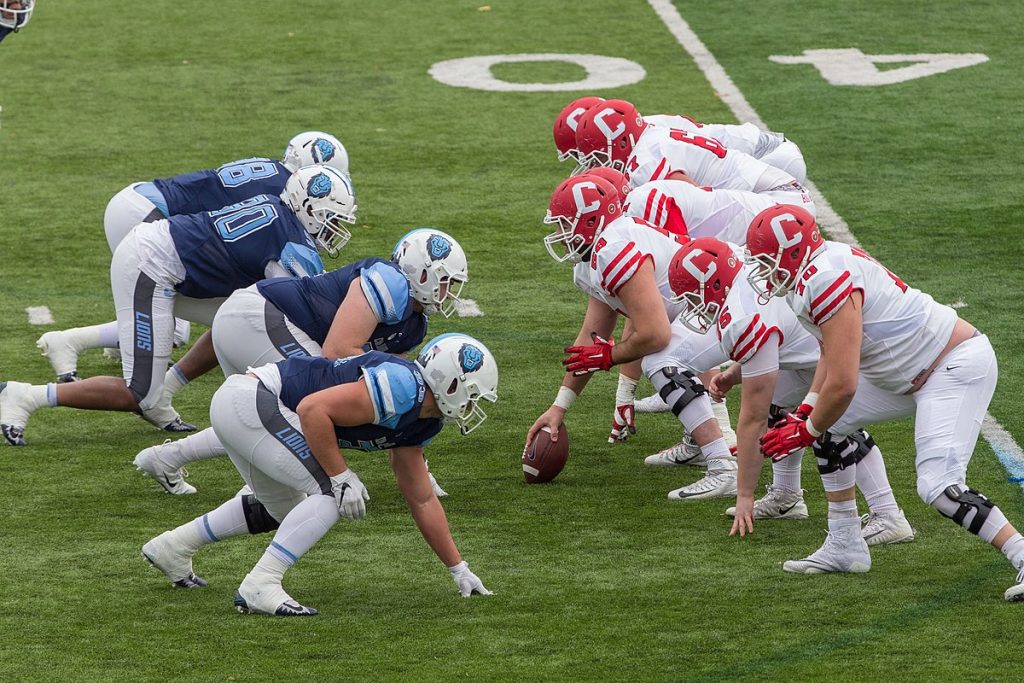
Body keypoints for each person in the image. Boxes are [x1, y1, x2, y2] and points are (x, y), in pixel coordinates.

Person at [745, 205, 1024, 600]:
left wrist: (806, 428)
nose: (762, 270)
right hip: (908, 373)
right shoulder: (814, 272)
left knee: (938, 486)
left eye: (766, 260)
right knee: (829, 424)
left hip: (951, 366)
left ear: (792, 253)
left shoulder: (824, 278)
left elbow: (843, 384)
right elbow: (830, 353)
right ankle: (844, 544)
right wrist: (808, 411)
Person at [141, 334, 498, 616]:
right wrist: (340, 475)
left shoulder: (422, 420)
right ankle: (261, 583)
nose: (471, 406)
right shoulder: (403, 386)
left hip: (249, 406)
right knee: (332, 493)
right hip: (252, 399)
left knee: (284, 509)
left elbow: (421, 498)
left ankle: (174, 546)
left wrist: (458, 568)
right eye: (471, 395)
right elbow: (313, 410)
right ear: (449, 383)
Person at [0, 165, 354, 444]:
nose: (334, 227)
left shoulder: (278, 210)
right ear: (309, 207)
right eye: (332, 216)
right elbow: (307, 311)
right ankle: (24, 396)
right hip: (150, 266)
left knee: (237, 320)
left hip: (167, 260)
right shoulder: (292, 245)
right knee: (136, 392)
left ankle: (164, 392)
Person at [133, 228, 468, 495]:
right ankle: (263, 494)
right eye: (444, 281)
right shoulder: (391, 282)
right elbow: (338, 351)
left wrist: (416, 466)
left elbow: (401, 398)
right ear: (419, 274)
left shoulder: (414, 324)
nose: (448, 291)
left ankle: (166, 458)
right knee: (303, 409)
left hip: (257, 322)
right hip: (263, 317)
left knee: (261, 415)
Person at [36, 131, 349, 383]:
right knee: (197, 319)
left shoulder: (274, 173)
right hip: (149, 218)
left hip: (138, 201)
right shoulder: (286, 192)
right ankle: (70, 341)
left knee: (196, 310)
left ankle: (112, 346)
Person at [665, 237, 914, 543]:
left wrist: (744, 493)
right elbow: (776, 343)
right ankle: (786, 496)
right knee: (780, 408)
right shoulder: (744, 281)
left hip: (846, 355)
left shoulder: (741, 318)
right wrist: (734, 374)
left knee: (833, 423)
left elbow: (751, 418)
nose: (693, 308)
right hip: (815, 354)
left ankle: (888, 514)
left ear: (714, 285)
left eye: (694, 297)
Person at [526, 175, 737, 500]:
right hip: (705, 311)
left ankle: (723, 467)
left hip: (732, 305)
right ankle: (703, 448)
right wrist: (559, 408)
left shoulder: (614, 248)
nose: (558, 234)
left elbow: (654, 333)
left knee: (660, 358)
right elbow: (592, 336)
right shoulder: (595, 258)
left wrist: (610, 357)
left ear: (591, 222)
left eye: (564, 224)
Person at [573, 99, 813, 213]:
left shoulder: (646, 162)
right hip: (774, 183)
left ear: (622, 140)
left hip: (773, 170)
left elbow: (695, 202)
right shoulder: (650, 137)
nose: (596, 164)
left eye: (599, 154)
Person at [554, 96, 805, 182]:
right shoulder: (637, 131)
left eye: (586, 150)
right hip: (759, 155)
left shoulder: (645, 150)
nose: (587, 162)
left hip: (767, 160)